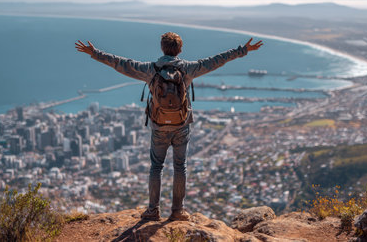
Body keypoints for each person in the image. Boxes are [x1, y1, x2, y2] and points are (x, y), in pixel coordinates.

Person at [75, 32, 263, 221]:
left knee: (156, 167)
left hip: (158, 126)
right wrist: (243, 50)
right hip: (182, 125)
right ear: (180, 50)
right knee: (180, 166)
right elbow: (217, 60)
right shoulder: (189, 68)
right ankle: (178, 210)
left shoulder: (151, 69)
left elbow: (120, 63)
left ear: (162, 48)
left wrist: (95, 53)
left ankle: (152, 210)